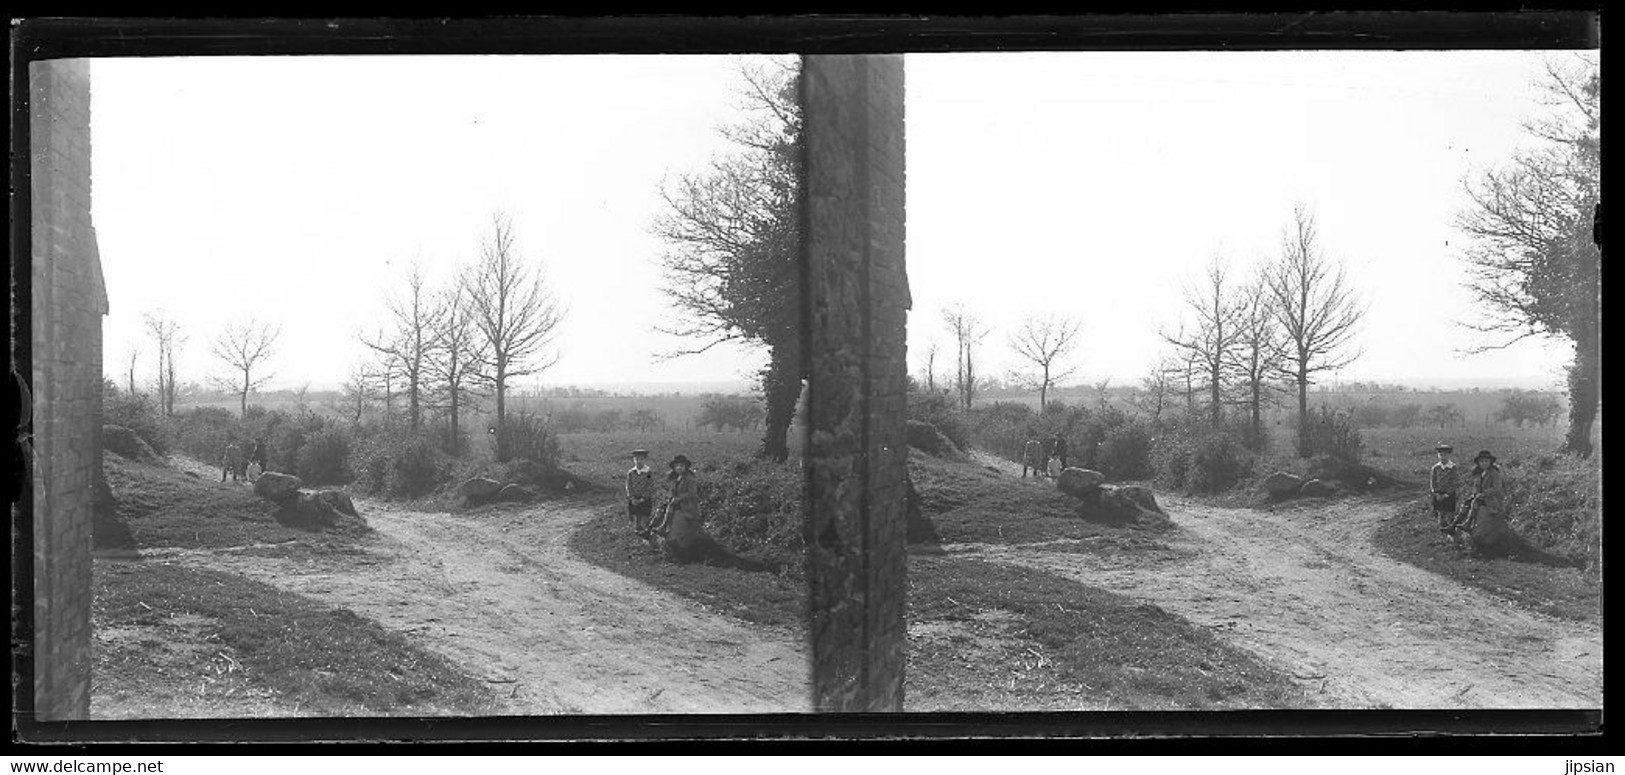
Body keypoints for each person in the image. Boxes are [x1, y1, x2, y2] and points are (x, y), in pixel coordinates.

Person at [1449, 449, 1504, 541]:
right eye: (1481, 461)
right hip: (1480, 497)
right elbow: (1476, 487)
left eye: (1486, 461)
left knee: (1475, 502)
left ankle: (1468, 523)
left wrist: (1484, 493)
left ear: (1490, 462)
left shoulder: (1495, 474)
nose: (1484, 463)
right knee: (1467, 503)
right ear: (1479, 463)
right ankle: (1454, 524)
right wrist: (1475, 493)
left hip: (1491, 500)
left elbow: (1497, 489)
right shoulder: (1480, 474)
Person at [654, 454, 700, 542]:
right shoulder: (676, 478)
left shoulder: (690, 479)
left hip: (687, 504)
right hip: (677, 502)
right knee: (662, 506)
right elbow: (673, 491)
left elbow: (692, 494)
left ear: (685, 467)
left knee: (670, 506)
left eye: (681, 466)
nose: (679, 468)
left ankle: (663, 527)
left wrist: (679, 498)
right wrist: (670, 497)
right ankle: (651, 528)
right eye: (677, 466)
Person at [1429, 443, 1461, 535]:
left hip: (1449, 494)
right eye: (1441, 455)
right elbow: (1433, 481)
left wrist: (1447, 494)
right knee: (1441, 514)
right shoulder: (1435, 468)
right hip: (1438, 494)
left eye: (1445, 455)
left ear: (1449, 455)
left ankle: (1452, 532)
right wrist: (1435, 493)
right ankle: (1442, 533)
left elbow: (1456, 482)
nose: (1443, 457)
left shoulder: (1453, 467)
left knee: (1450, 514)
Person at [625, 449, 657, 538]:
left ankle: (647, 534)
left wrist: (643, 498)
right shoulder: (631, 472)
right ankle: (637, 534)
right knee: (635, 517)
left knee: (644, 517)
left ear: (645, 460)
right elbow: (628, 485)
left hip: (644, 499)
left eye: (641, 459)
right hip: (634, 498)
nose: (639, 461)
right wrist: (631, 498)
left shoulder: (648, 472)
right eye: (636, 459)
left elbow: (650, 485)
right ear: (633, 460)